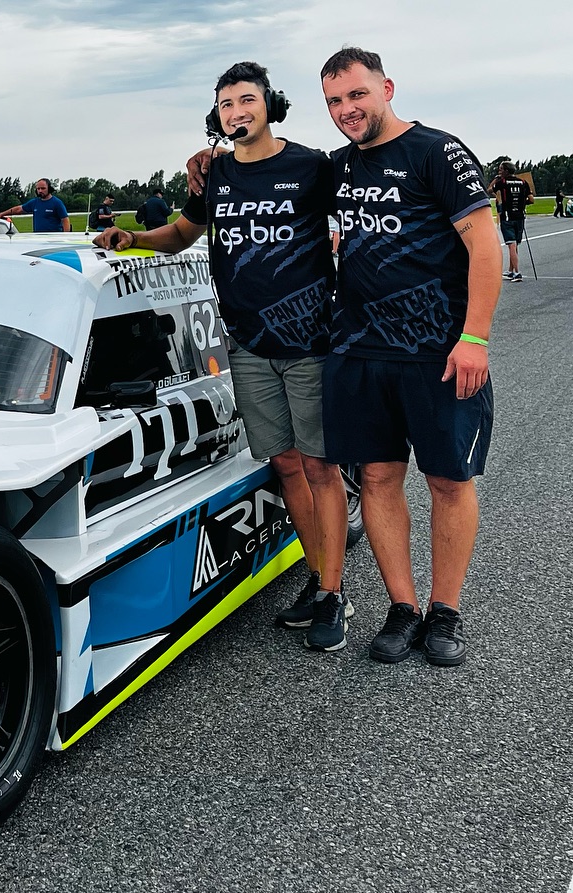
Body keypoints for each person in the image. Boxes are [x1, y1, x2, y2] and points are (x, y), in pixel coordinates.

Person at [94, 61, 350, 653]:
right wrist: (134, 238)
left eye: (247, 100)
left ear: (270, 105)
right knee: (285, 465)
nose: (237, 112)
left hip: (310, 343)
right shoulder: (215, 173)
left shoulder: (311, 165)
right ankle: (317, 578)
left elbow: (359, 220)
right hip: (248, 345)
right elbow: (184, 233)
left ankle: (335, 594)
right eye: (227, 104)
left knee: (321, 467)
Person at [320, 47, 501, 667]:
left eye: (357, 94)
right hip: (359, 349)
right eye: (334, 101)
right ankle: (403, 606)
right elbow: (271, 174)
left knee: (448, 479)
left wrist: (475, 337)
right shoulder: (336, 167)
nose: (347, 109)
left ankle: (445, 610)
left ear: (387, 88)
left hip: (438, 351)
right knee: (376, 477)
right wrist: (210, 161)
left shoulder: (436, 151)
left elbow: (484, 246)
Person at [489, 162, 532, 282]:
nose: (499, 172)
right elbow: (531, 200)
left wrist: (495, 179)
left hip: (507, 217)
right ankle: (511, 270)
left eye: (500, 170)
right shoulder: (523, 182)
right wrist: (522, 203)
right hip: (520, 217)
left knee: (511, 245)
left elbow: (489, 190)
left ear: (506, 171)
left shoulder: (502, 182)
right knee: (515, 244)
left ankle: (517, 272)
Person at [0, 180, 70, 232]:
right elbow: (18, 209)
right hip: (38, 238)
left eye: (43, 188)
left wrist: (65, 236)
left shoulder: (57, 203)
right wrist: (1, 214)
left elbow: (65, 220)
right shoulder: (34, 202)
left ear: (49, 189)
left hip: (53, 239)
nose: (40, 191)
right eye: (38, 189)